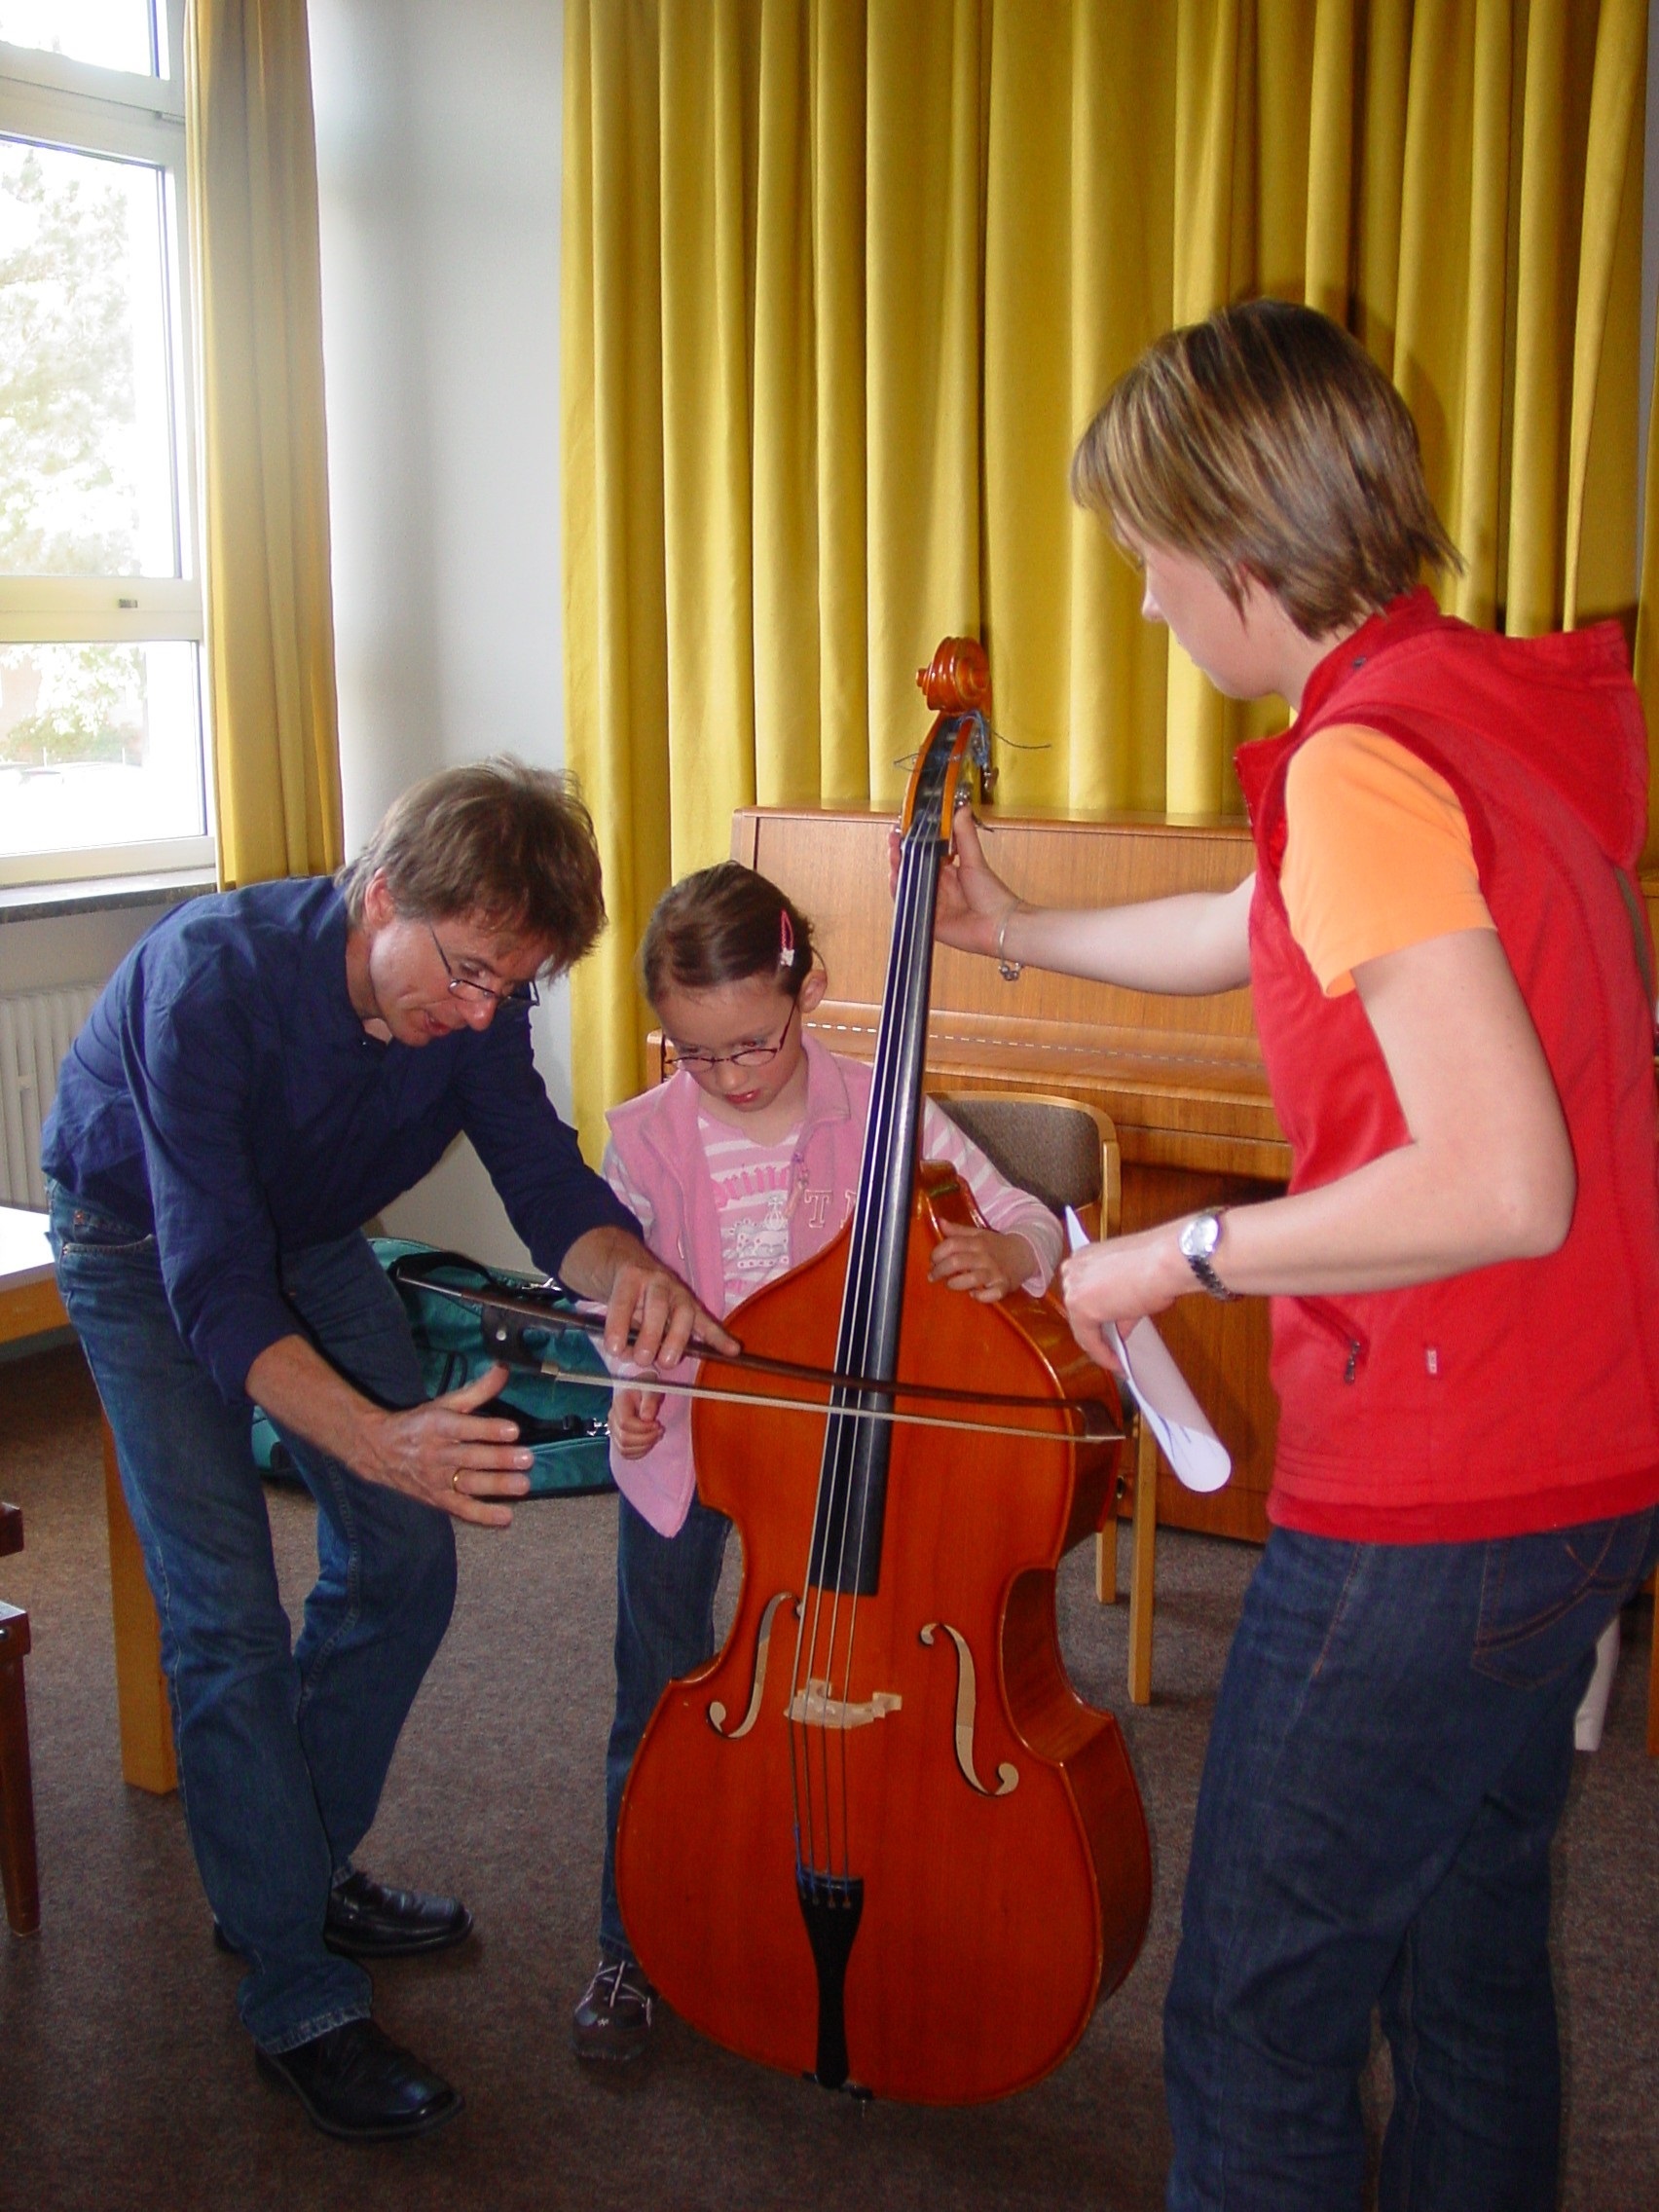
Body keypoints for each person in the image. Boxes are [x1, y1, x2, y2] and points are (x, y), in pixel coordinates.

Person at [927, 301, 1659, 2209]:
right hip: (1582, 1463)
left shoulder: (1361, 765)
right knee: (1464, 1956)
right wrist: (1011, 930)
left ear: (1233, 542)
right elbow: (1256, 919)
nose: (1148, 602)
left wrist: (1176, 1255)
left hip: (1442, 1482)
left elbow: (1499, 1181)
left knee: (1256, 2015)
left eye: (1149, 558)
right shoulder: (1458, 712)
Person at [42, 758, 730, 2145]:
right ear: (381, 896)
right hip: (143, 1248)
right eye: (468, 973)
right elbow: (212, 1286)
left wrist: (635, 1275)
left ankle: (291, 1867)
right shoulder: (208, 984)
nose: (478, 1014)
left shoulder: (478, 998)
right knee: (226, 1619)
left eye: (509, 988)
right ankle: (295, 1991)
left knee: (405, 1559)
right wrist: (376, 1435)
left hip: (306, 1235)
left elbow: (543, 1181)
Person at [568, 860, 1066, 2063]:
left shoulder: (888, 1112)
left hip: (849, 1472)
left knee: (850, 1707)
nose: (732, 1076)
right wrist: (634, 1385)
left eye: (755, 1043)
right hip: (695, 1452)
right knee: (663, 1695)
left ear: (814, 990)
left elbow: (1033, 1218)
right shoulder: (644, 1137)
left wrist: (1013, 1259)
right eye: (697, 1054)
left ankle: (842, 1916)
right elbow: (613, 1304)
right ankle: (628, 1944)